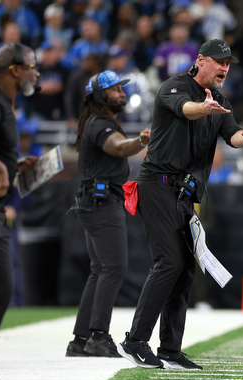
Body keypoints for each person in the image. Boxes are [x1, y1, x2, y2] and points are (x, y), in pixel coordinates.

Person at [116, 39, 243, 370]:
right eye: (219, 61)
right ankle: (135, 340)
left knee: (185, 268)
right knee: (168, 261)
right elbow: (185, 109)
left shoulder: (221, 101)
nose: (225, 67)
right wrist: (204, 109)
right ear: (200, 60)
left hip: (185, 193)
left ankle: (170, 348)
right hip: (157, 184)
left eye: (229, 63)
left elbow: (233, 136)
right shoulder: (174, 86)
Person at [65, 70, 151, 358]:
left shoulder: (99, 121)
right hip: (102, 203)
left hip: (95, 201)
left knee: (100, 270)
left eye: (121, 88)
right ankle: (99, 337)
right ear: (100, 95)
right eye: (115, 89)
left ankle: (80, 339)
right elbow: (117, 147)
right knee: (114, 268)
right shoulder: (99, 123)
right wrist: (141, 141)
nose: (122, 93)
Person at [0, 42, 40, 380]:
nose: (37, 73)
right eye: (32, 67)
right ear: (14, 70)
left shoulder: (7, 103)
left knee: (2, 289)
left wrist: (13, 165)